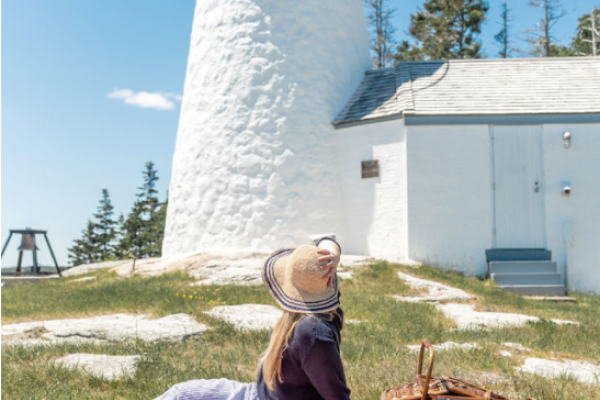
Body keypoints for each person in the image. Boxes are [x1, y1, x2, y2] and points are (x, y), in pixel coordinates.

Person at [153, 237, 350, 400]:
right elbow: (327, 241)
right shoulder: (322, 316)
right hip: (254, 394)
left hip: (255, 396)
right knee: (181, 395)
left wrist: (333, 254)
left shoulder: (311, 331)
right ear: (329, 280)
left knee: (180, 396)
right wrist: (334, 254)